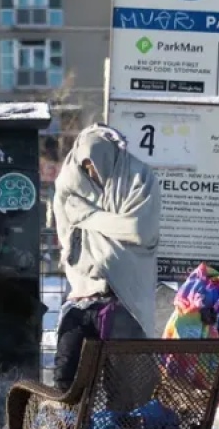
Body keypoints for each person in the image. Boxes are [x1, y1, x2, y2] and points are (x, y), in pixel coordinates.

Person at [52, 124, 160, 408]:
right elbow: (69, 240)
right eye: (85, 165)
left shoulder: (137, 178)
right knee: (67, 378)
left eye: (96, 164)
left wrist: (87, 216)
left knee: (124, 388)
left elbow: (138, 229)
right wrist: (113, 227)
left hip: (124, 297)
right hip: (82, 296)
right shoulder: (68, 184)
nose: (91, 172)